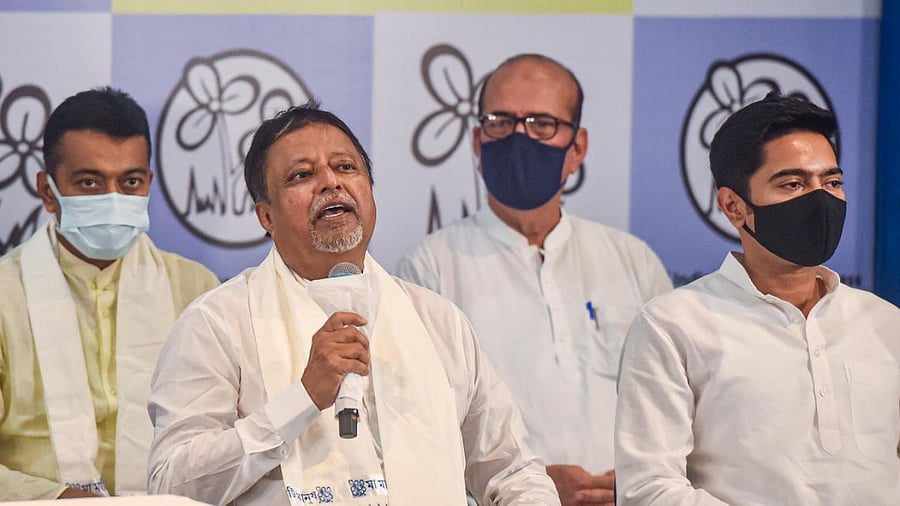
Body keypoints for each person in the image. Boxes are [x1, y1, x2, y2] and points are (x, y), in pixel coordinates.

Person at [146, 102, 560, 506]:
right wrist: (301, 400)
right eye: (302, 175)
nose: (331, 183)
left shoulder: (437, 320)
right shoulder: (219, 323)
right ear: (266, 217)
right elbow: (172, 482)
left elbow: (512, 471)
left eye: (345, 167)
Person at [396, 53, 672, 505]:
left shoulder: (634, 263)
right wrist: (531, 487)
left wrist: (641, 485)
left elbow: (675, 411)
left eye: (542, 124)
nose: (519, 137)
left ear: (577, 148)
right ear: (477, 142)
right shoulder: (430, 269)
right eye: (501, 122)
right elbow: (419, 429)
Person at [614, 94, 900, 505]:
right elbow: (649, 490)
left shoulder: (885, 322)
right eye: (793, 184)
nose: (820, 199)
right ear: (734, 207)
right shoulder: (673, 326)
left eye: (832, 183)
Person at [0, 87, 220, 500]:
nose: (113, 199)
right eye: (90, 183)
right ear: (48, 191)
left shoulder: (197, 290)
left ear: (148, 183)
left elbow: (224, 440)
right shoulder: (5, 297)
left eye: (130, 182)